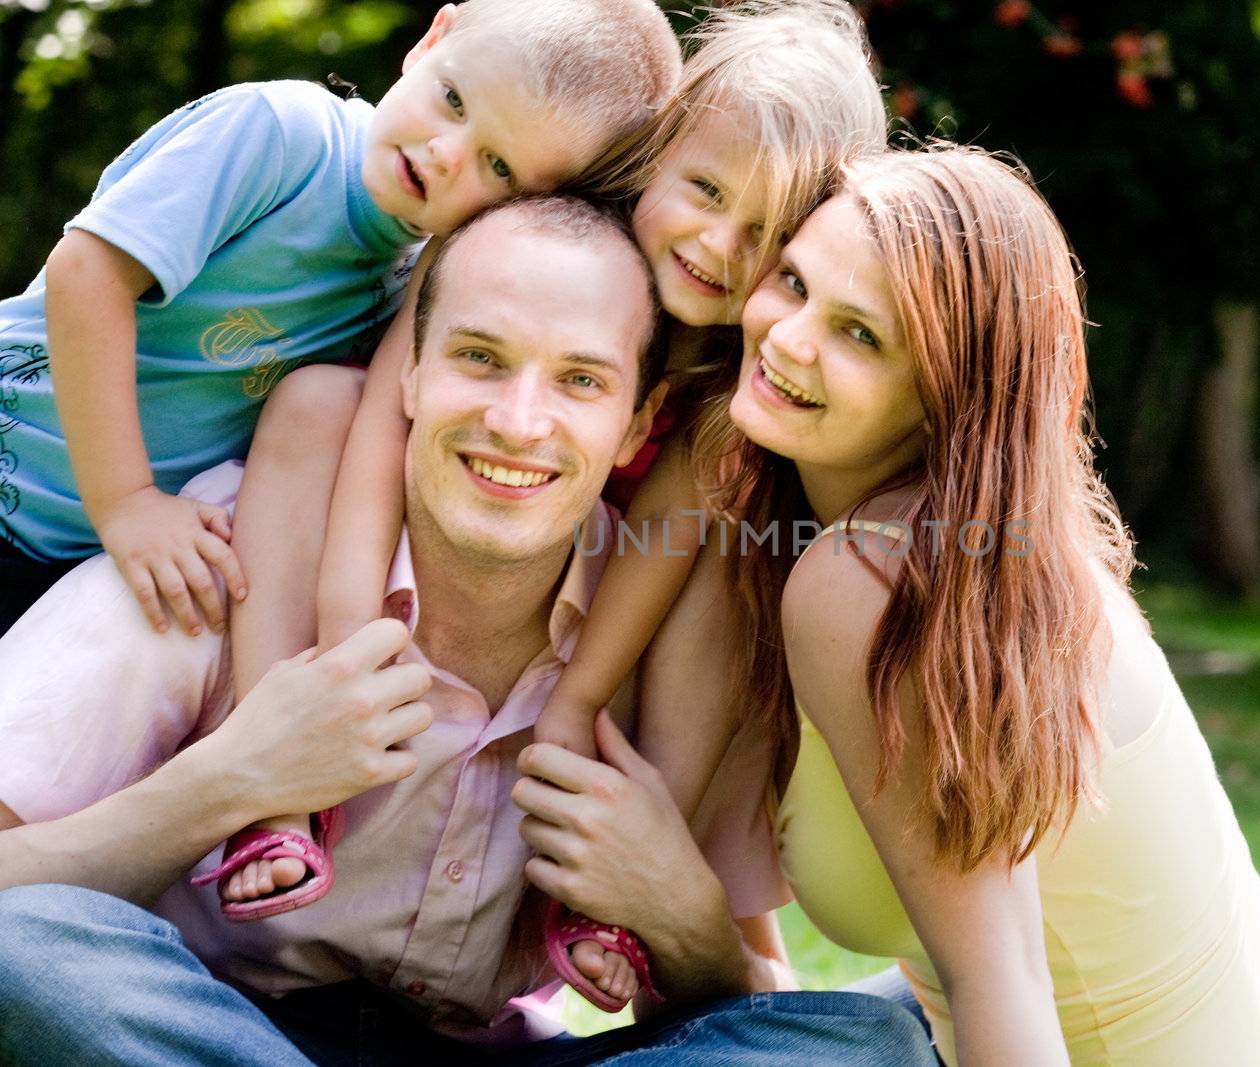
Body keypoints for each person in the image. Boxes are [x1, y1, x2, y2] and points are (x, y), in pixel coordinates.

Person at [0, 196, 937, 1067]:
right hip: (216, 1030)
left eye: (579, 379)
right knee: (22, 950)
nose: (518, 422)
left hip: (498, 1052)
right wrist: (233, 777)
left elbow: (742, 1003)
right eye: (480, 357)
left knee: (872, 1041)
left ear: (635, 423)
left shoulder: (674, 642)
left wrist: (684, 916)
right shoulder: (222, 563)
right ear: (407, 376)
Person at [217, 0, 886, 1013]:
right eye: (702, 189)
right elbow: (377, 436)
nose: (716, 244)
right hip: (443, 510)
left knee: (724, 556)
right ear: (657, 154)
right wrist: (349, 632)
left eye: (764, 232)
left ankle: (619, 871)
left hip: (591, 574)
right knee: (319, 405)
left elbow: (663, 539)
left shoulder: (724, 377)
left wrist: (576, 705)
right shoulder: (523, 244)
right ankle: (269, 798)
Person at [701, 146, 1260, 1066]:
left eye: (861, 334)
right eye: (792, 282)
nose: (787, 336)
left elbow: (1003, 977)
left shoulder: (876, 580)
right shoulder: (996, 555)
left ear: (947, 399)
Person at [0, 0, 681, 637]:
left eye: (498, 164)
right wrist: (128, 502)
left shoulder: (426, 280)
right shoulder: (284, 138)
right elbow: (85, 274)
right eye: (453, 100)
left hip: (85, 553)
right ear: (431, 42)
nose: (446, 153)